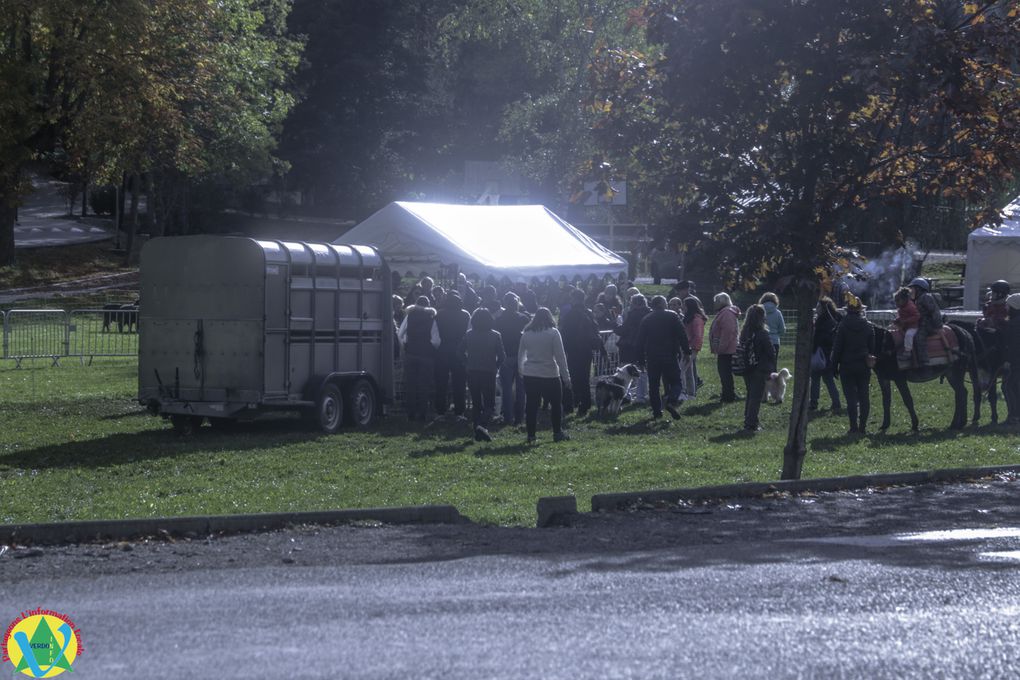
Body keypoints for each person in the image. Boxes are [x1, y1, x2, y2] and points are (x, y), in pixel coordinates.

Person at [518, 307, 571, 443]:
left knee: (531, 405)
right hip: (550, 374)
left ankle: (531, 435)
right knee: (556, 405)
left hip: (530, 373)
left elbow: (521, 355)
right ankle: (557, 432)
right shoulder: (553, 333)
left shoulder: (526, 333)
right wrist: (566, 377)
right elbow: (560, 357)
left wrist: (521, 371)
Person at [637, 295, 689, 419]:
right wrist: (687, 351)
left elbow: (639, 341)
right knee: (676, 382)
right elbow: (682, 334)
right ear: (662, 304)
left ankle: (657, 411)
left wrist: (640, 360)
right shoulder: (672, 316)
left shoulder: (646, 319)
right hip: (670, 354)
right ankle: (671, 401)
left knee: (654, 385)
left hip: (652, 356)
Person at [831, 293, 875, 435]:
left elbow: (837, 348)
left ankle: (853, 427)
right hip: (863, 365)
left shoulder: (842, 326)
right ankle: (863, 427)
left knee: (850, 398)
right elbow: (872, 348)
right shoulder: (868, 326)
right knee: (864, 396)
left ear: (847, 309)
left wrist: (833, 366)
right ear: (860, 309)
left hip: (847, 365)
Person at [460, 308, 505, 442]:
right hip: (489, 371)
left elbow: (459, 352)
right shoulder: (495, 335)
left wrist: (466, 363)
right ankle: (482, 426)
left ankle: (477, 430)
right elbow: (502, 356)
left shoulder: (469, 334)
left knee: (476, 403)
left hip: (473, 371)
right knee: (489, 404)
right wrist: (495, 366)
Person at [558, 288, 604, 416]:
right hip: (587, 350)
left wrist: (563, 349)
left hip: (573, 350)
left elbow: (565, 333)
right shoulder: (588, 312)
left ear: (575, 299)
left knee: (571, 377)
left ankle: (571, 403)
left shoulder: (571, 314)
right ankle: (586, 403)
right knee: (584, 378)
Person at [396, 296, 440, 421]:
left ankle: (411, 413)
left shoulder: (409, 317)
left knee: (410, 385)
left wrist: (405, 345)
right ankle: (422, 413)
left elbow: (400, 334)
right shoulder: (432, 319)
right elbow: (436, 341)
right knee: (423, 386)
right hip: (426, 356)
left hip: (411, 354)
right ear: (428, 305)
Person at [493, 292, 530, 425]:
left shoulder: (498, 320)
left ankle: (508, 417)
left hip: (505, 356)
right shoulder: (524, 318)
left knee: (507, 389)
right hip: (521, 356)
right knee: (521, 389)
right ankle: (520, 417)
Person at [738, 304, 776, 432]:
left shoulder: (744, 332)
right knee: (756, 397)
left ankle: (748, 419)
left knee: (750, 394)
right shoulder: (762, 333)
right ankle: (751, 423)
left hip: (747, 368)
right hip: (760, 369)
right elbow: (771, 352)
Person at [434, 292, 471, 417]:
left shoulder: (439, 314)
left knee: (441, 383)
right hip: (459, 351)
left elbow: (435, 335)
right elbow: (468, 334)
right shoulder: (466, 315)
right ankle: (459, 411)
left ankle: (440, 411)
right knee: (459, 383)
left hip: (442, 351)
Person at [614, 293, 651, 402]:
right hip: (645, 345)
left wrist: (614, 325)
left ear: (635, 304)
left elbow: (623, 330)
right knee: (642, 372)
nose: (630, 305)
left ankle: (628, 395)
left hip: (630, 346)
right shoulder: (650, 313)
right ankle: (642, 395)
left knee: (627, 373)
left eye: (631, 303)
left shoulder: (633, 314)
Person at [809, 296, 842, 413]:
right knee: (828, 380)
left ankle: (813, 403)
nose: (816, 308)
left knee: (816, 379)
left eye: (818, 306)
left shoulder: (822, 321)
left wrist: (813, 348)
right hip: (829, 354)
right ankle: (836, 402)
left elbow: (819, 338)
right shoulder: (834, 319)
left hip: (821, 353)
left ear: (823, 308)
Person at [709, 292, 742, 402]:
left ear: (721, 302)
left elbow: (727, 332)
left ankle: (728, 395)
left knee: (725, 373)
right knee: (724, 373)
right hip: (726, 348)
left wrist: (721, 348)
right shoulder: (724, 312)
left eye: (716, 301)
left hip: (726, 349)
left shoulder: (726, 313)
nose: (714, 304)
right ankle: (727, 393)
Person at [908, 277, 942, 366]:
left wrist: (938, 326)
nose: (911, 291)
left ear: (919, 289)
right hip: (920, 323)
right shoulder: (916, 299)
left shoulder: (926, 297)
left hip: (928, 324)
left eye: (913, 288)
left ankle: (924, 361)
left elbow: (935, 311)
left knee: (919, 337)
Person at [684, 296, 708, 390]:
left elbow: (698, 336)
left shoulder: (696, 319)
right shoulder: (689, 318)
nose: (682, 307)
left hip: (692, 348)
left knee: (686, 368)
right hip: (687, 347)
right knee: (687, 369)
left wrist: (694, 349)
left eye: (684, 305)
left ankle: (690, 390)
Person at [1002, 293, 1020, 424]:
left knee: (1008, 386)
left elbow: (1014, 345)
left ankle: (1014, 416)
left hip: (1016, 362)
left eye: (1008, 306)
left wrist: (1008, 361)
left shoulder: (1014, 325)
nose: (1006, 308)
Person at [892, 286, 920, 358]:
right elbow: (902, 317)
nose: (896, 303)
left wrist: (905, 321)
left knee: (909, 335)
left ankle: (908, 351)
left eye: (898, 301)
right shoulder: (902, 307)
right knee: (891, 330)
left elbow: (916, 316)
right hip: (904, 325)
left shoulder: (910, 306)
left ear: (904, 299)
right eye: (895, 301)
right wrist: (897, 320)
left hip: (913, 327)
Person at [759, 292, 786, 357]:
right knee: (773, 363)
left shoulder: (759, 312)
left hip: (761, 340)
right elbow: (782, 329)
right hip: (775, 341)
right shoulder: (778, 313)